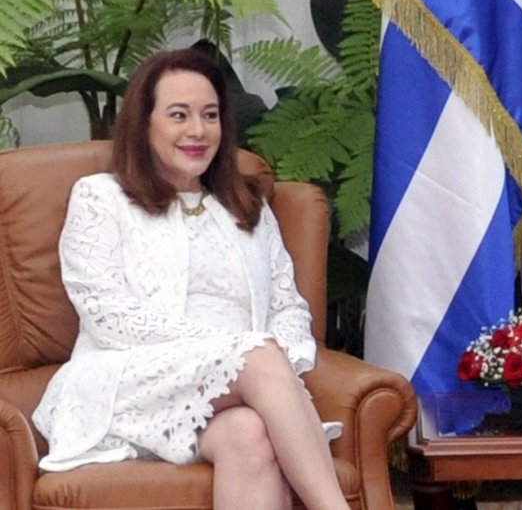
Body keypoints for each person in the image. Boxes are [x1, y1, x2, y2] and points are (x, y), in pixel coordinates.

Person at [32, 49, 351, 510]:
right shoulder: (100, 198)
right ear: (145, 123)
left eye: (210, 115)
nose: (198, 131)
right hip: (128, 380)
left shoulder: (249, 206)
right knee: (257, 353)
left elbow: (288, 306)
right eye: (178, 115)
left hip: (228, 394)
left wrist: (272, 365)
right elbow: (107, 315)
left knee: (251, 435)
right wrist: (234, 353)